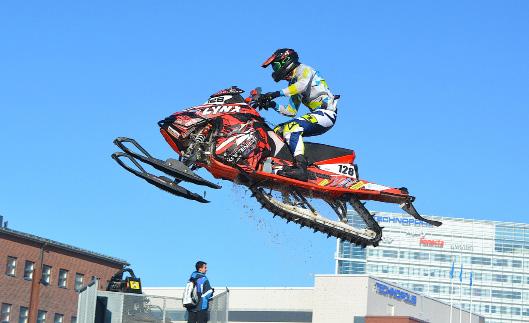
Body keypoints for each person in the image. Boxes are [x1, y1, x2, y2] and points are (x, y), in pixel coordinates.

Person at [259, 48, 338, 181]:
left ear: (285, 61)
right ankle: (282, 164)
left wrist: (274, 94)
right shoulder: (293, 83)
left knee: (292, 127)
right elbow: (291, 111)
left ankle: (301, 168)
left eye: (275, 66)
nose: (275, 70)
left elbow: (301, 86)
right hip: (318, 115)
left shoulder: (304, 70)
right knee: (278, 130)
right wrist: (272, 105)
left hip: (327, 114)